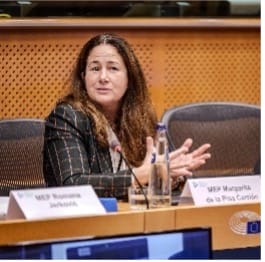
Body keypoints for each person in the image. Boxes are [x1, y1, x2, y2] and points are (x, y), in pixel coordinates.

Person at [43, 33, 211, 200]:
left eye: (113, 68)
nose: (103, 77)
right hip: (82, 222)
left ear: (129, 78)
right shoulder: (67, 117)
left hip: (131, 216)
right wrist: (140, 175)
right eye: (95, 68)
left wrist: (172, 177)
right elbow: (73, 185)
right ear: (83, 77)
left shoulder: (141, 118)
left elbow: (159, 172)